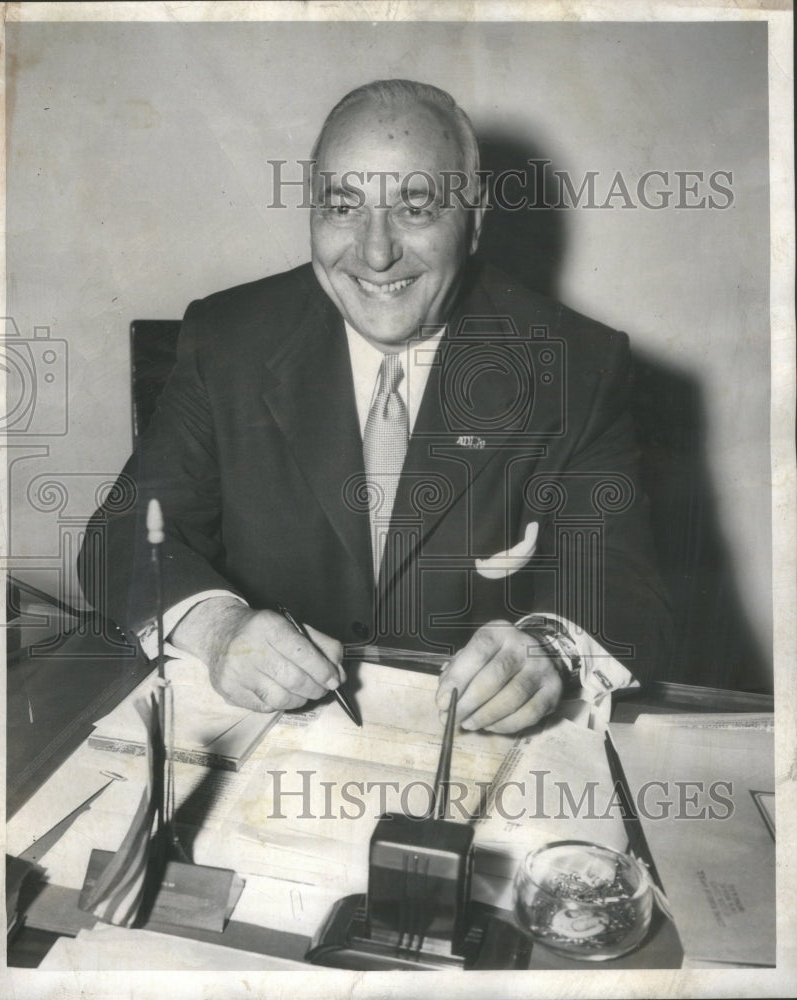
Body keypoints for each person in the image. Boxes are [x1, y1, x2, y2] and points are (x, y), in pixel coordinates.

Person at [79, 79, 670, 734]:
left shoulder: (576, 364)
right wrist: (217, 630)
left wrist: (549, 652)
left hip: (476, 748)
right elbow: (124, 533)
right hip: (271, 741)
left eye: (415, 209)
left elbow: (623, 581)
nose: (375, 251)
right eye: (342, 207)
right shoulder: (228, 337)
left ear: (473, 224)